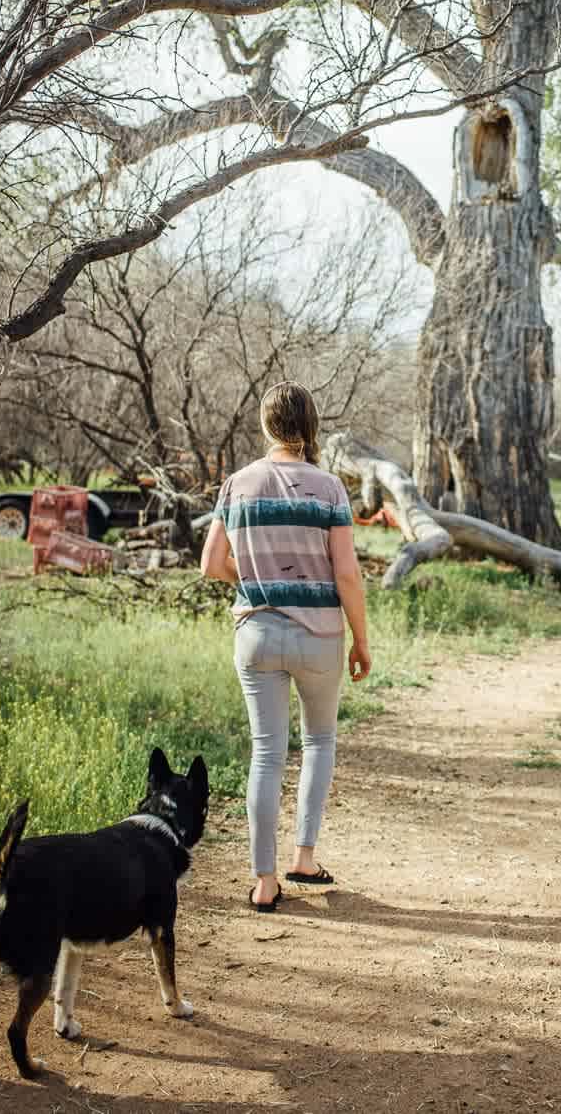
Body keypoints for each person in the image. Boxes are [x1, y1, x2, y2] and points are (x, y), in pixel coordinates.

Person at [200, 381, 371, 912]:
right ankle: (304, 856)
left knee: (267, 753)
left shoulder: (237, 484)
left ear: (266, 425)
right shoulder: (329, 488)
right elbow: (346, 573)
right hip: (320, 636)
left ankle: (265, 881)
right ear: (311, 426)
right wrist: (361, 639)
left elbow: (211, 565)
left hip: (256, 633)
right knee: (319, 742)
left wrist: (256, 583)